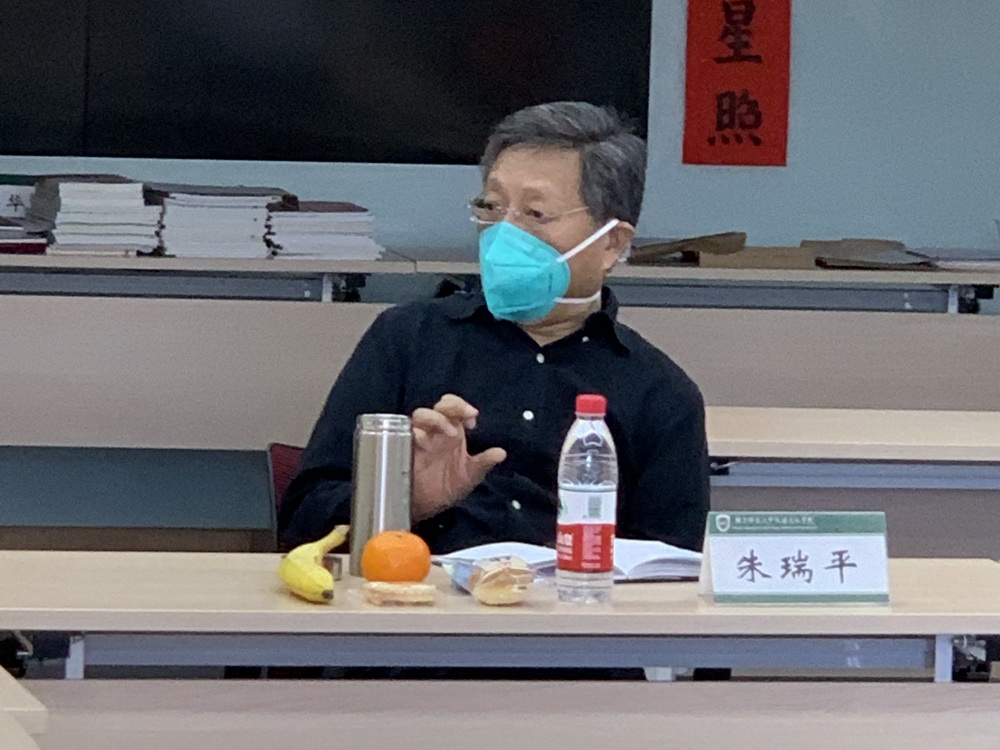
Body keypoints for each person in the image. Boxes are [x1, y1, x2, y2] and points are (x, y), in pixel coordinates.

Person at [278, 101, 710, 555]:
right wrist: (406, 502)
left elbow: (671, 571)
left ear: (612, 243)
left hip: (571, 599)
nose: (505, 233)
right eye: (492, 207)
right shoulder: (408, 339)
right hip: (416, 592)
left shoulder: (661, 394)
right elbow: (300, 523)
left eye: (535, 214)